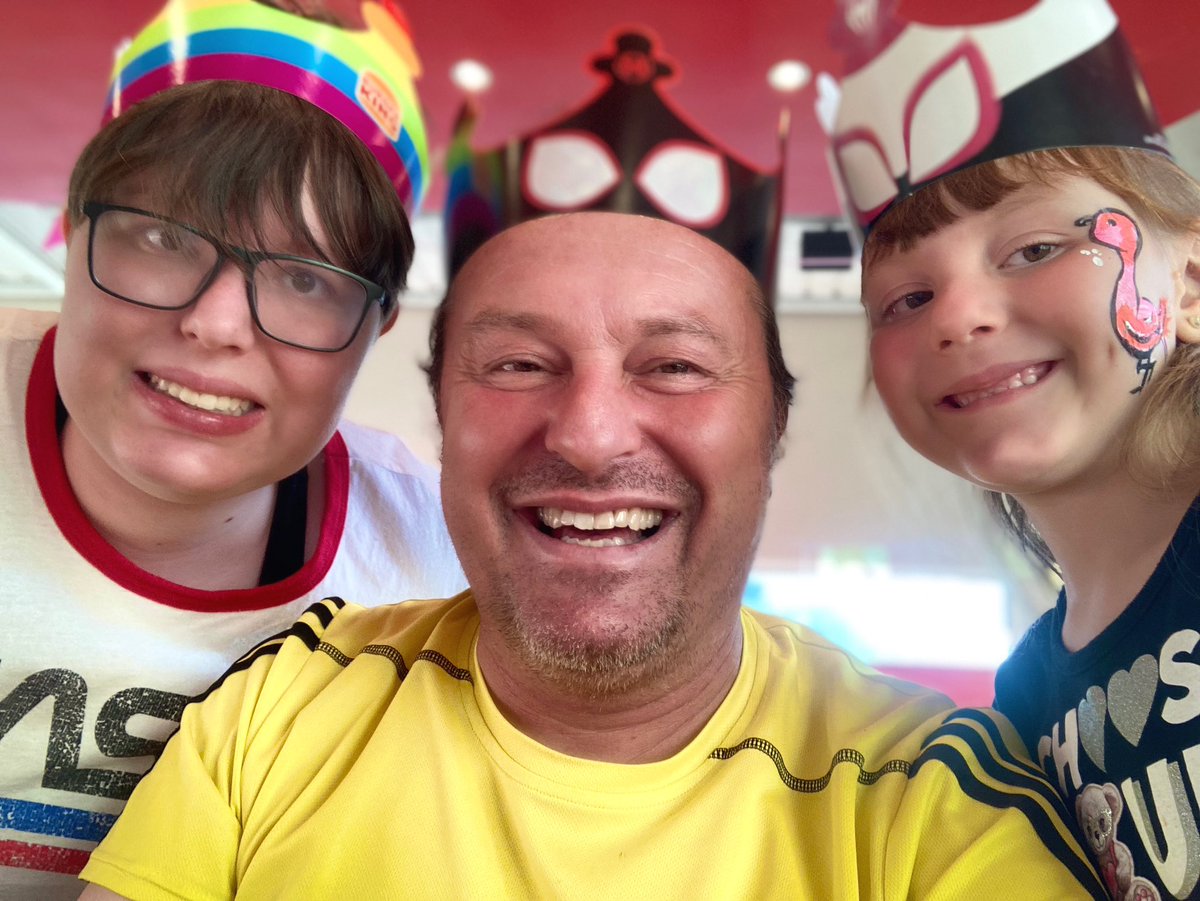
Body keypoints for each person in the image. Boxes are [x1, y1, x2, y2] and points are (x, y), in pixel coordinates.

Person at [78, 212, 1104, 899]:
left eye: (676, 366)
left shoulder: (927, 795)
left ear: (771, 430)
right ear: (444, 422)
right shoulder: (282, 704)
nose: (590, 435)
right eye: (519, 364)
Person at [0, 1, 464, 895]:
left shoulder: (441, 567)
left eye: (305, 278)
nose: (215, 324)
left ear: (376, 326)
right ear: (74, 230)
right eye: (165, 238)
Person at [827, 1, 1199, 896]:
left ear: (1190, 283)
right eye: (907, 299)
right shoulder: (1028, 698)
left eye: (1034, 248)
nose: (957, 317)